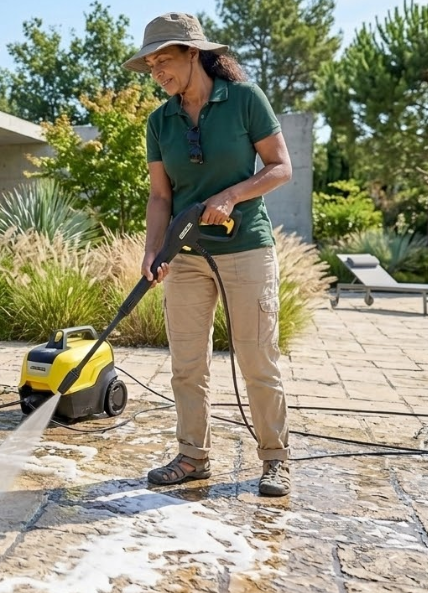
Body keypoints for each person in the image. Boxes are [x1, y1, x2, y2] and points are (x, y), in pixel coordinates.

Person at [122, 12, 293, 496]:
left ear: (193, 54)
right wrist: (153, 250)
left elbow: (281, 168)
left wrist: (230, 197)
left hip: (246, 250)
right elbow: (160, 196)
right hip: (188, 256)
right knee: (186, 362)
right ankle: (193, 456)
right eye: (150, 64)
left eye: (164, 60)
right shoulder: (160, 121)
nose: (156, 72)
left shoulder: (243, 99)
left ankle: (275, 459)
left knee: (257, 358)